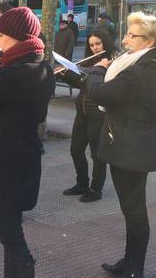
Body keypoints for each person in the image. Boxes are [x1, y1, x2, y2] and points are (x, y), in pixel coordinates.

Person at [86, 12, 156, 278]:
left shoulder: (140, 72)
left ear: (150, 40)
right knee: (133, 207)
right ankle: (131, 262)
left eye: (132, 35)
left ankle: (134, 268)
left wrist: (97, 70)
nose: (125, 39)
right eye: (127, 33)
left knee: (133, 209)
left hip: (130, 145)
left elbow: (100, 93)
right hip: (141, 141)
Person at [0, 7, 55, 278]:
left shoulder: (14, 73)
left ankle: (24, 269)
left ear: (17, 37)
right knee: (10, 225)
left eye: (0, 35)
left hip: (8, 156)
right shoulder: (41, 65)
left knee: (9, 230)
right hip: (25, 152)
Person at [61, 30, 117, 203]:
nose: (94, 48)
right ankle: (82, 183)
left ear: (105, 43)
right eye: (91, 45)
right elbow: (81, 85)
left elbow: (102, 84)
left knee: (96, 153)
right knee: (75, 149)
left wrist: (95, 69)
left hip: (98, 112)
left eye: (98, 44)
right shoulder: (90, 60)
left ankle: (96, 188)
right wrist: (66, 74)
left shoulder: (112, 61)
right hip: (82, 109)